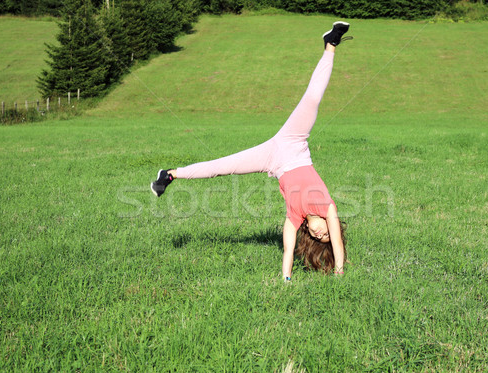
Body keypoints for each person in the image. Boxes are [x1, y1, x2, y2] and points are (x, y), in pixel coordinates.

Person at [151, 22, 352, 281]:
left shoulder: (294, 217)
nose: (320, 233)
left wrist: (286, 280)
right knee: (312, 99)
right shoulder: (328, 208)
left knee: (221, 167)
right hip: (294, 143)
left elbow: (288, 250)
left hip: (273, 161)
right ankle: (331, 45)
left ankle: (169, 175)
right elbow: (337, 240)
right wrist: (339, 270)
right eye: (324, 232)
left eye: (317, 237)